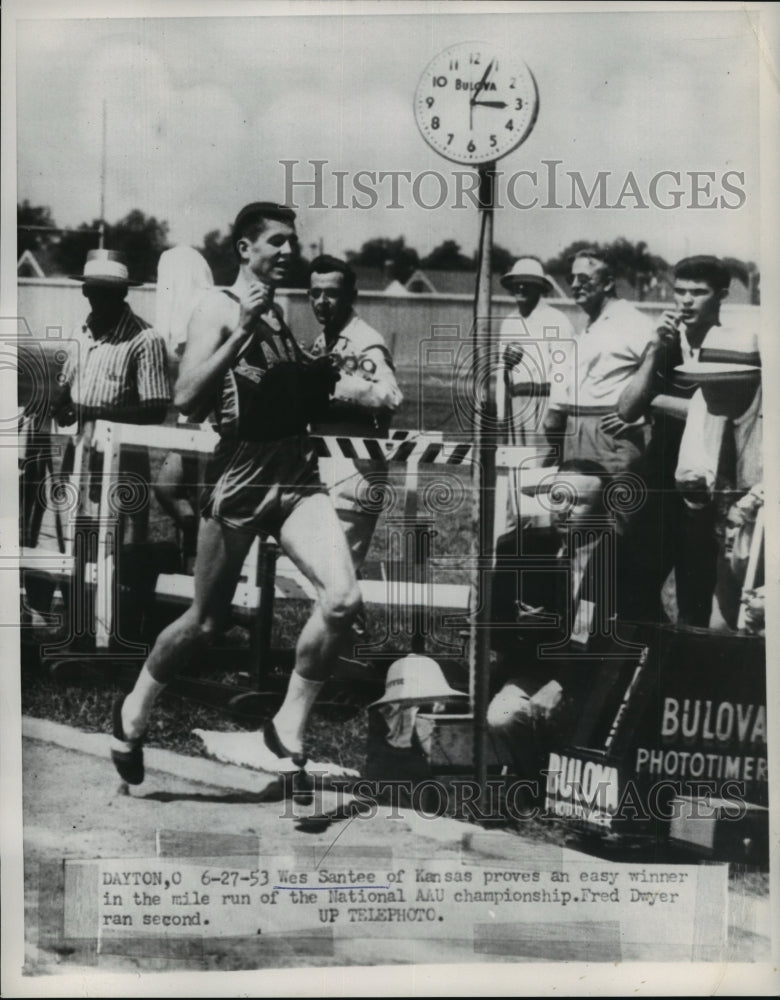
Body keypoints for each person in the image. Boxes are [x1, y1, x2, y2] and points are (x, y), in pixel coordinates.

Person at [110, 202, 361, 784]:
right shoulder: (220, 309)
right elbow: (188, 397)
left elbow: (281, 395)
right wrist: (242, 329)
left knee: (343, 600)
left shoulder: (281, 316)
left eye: (291, 243)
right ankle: (133, 714)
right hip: (241, 476)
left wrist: (321, 375)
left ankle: (285, 730)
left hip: (295, 473)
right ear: (244, 249)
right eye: (275, 242)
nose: (287, 252)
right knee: (205, 622)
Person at [487, 459, 645, 778]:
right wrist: (518, 627)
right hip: (534, 672)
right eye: (559, 497)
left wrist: (563, 683)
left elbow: (627, 641)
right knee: (502, 714)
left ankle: (572, 783)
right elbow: (491, 629)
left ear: (605, 509)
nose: (564, 509)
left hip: (599, 682)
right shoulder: (521, 550)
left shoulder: (625, 560)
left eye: (579, 502)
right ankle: (537, 781)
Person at [616, 255, 737, 626]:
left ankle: (684, 677)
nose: (685, 300)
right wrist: (652, 351)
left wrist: (662, 401)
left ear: (721, 296)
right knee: (631, 583)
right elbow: (626, 408)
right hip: (659, 476)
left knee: (695, 593)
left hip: (706, 481)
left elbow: (728, 413)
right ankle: (657, 662)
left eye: (697, 292)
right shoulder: (666, 346)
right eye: (680, 291)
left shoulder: (733, 349)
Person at [307, 254, 403, 572]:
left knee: (338, 581)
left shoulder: (365, 343)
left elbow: (390, 397)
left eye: (331, 293)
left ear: (351, 297)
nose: (322, 301)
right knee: (330, 582)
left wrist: (335, 385)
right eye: (315, 293)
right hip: (323, 473)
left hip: (353, 477)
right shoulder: (323, 341)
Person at [542, 248, 655, 478]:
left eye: (583, 279)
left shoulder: (633, 321)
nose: (574, 285)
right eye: (571, 278)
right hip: (576, 430)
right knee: (574, 509)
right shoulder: (590, 324)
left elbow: (662, 367)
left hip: (610, 436)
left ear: (607, 283)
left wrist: (639, 415)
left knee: (614, 509)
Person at [152, 246, 215, 570]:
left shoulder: (204, 312)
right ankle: (193, 549)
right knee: (173, 489)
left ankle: (198, 566)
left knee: (196, 494)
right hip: (194, 416)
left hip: (209, 418)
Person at [495, 257, 574, 445]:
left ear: (540, 287)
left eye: (527, 284)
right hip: (515, 403)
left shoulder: (556, 320)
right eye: (517, 283)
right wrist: (500, 414)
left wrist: (556, 411)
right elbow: (502, 371)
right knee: (516, 467)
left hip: (545, 403)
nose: (521, 288)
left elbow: (563, 371)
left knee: (541, 468)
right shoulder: (509, 323)